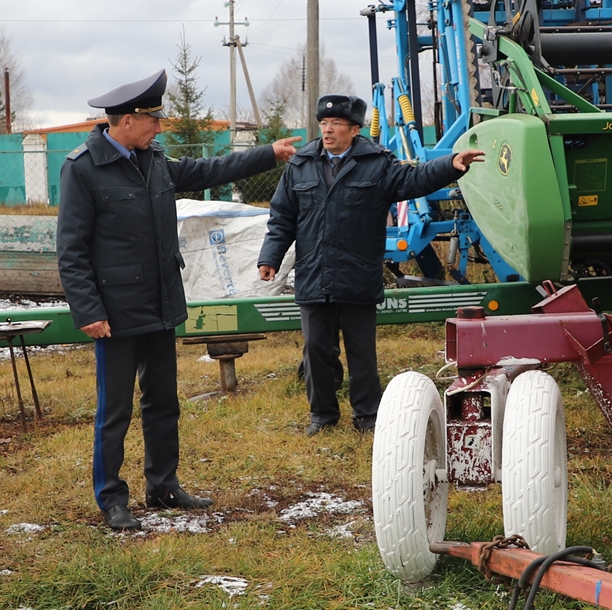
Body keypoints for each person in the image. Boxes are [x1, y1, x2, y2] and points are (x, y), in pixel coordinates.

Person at [56, 70, 296, 531]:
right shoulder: (83, 167)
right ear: (126, 121)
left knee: (163, 401)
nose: (160, 128)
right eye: (153, 120)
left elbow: (208, 171)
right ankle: (111, 498)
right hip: (116, 313)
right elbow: (71, 248)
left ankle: (163, 485)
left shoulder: (153, 159)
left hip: (160, 304)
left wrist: (269, 154)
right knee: (115, 410)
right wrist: (88, 311)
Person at [258, 95, 482, 435]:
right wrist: (270, 257)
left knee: (361, 351)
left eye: (335, 125)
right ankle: (322, 415)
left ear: (355, 130)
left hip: (357, 272)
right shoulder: (300, 164)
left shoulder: (376, 163)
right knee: (316, 348)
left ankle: (367, 415)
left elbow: (414, 180)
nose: (328, 130)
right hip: (314, 273)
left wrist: (451, 164)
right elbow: (282, 218)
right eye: (324, 124)